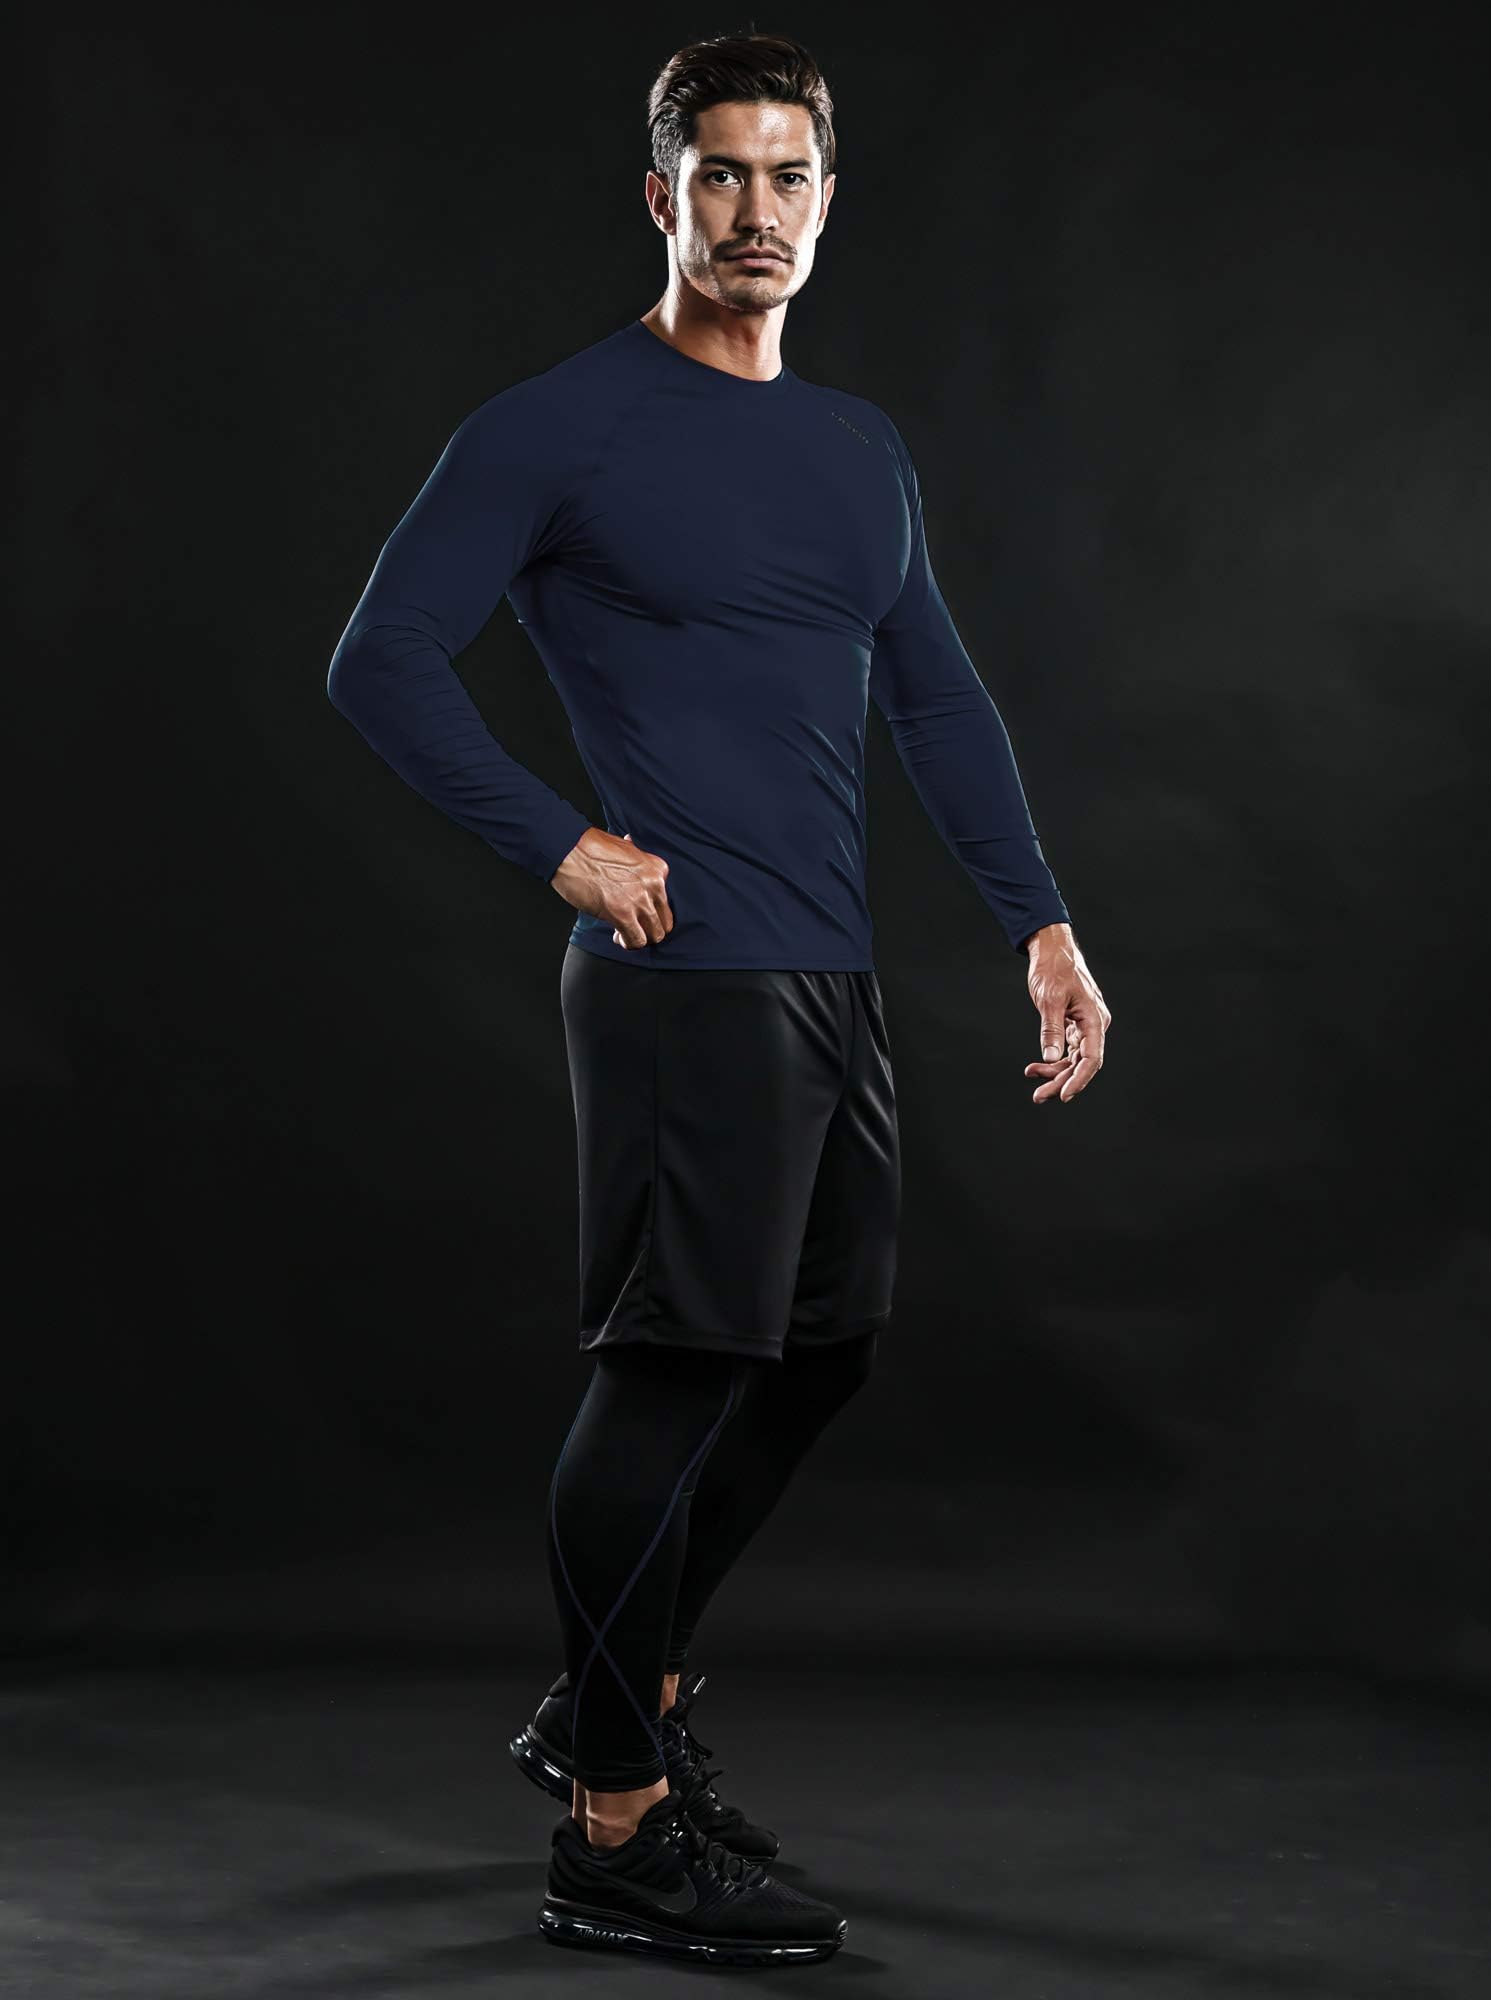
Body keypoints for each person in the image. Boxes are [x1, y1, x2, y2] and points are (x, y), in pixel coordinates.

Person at [326, 28, 1111, 1970]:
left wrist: (1037, 919)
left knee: (820, 1349)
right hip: (683, 979)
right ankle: (612, 1827)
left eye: (790, 176)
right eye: (723, 174)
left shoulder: (856, 450)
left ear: (829, 202)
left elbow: (935, 695)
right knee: (675, 1367)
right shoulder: (558, 426)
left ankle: (619, 1700)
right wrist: (561, 846)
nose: (758, 210)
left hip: (824, 970)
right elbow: (382, 656)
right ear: (661, 194)